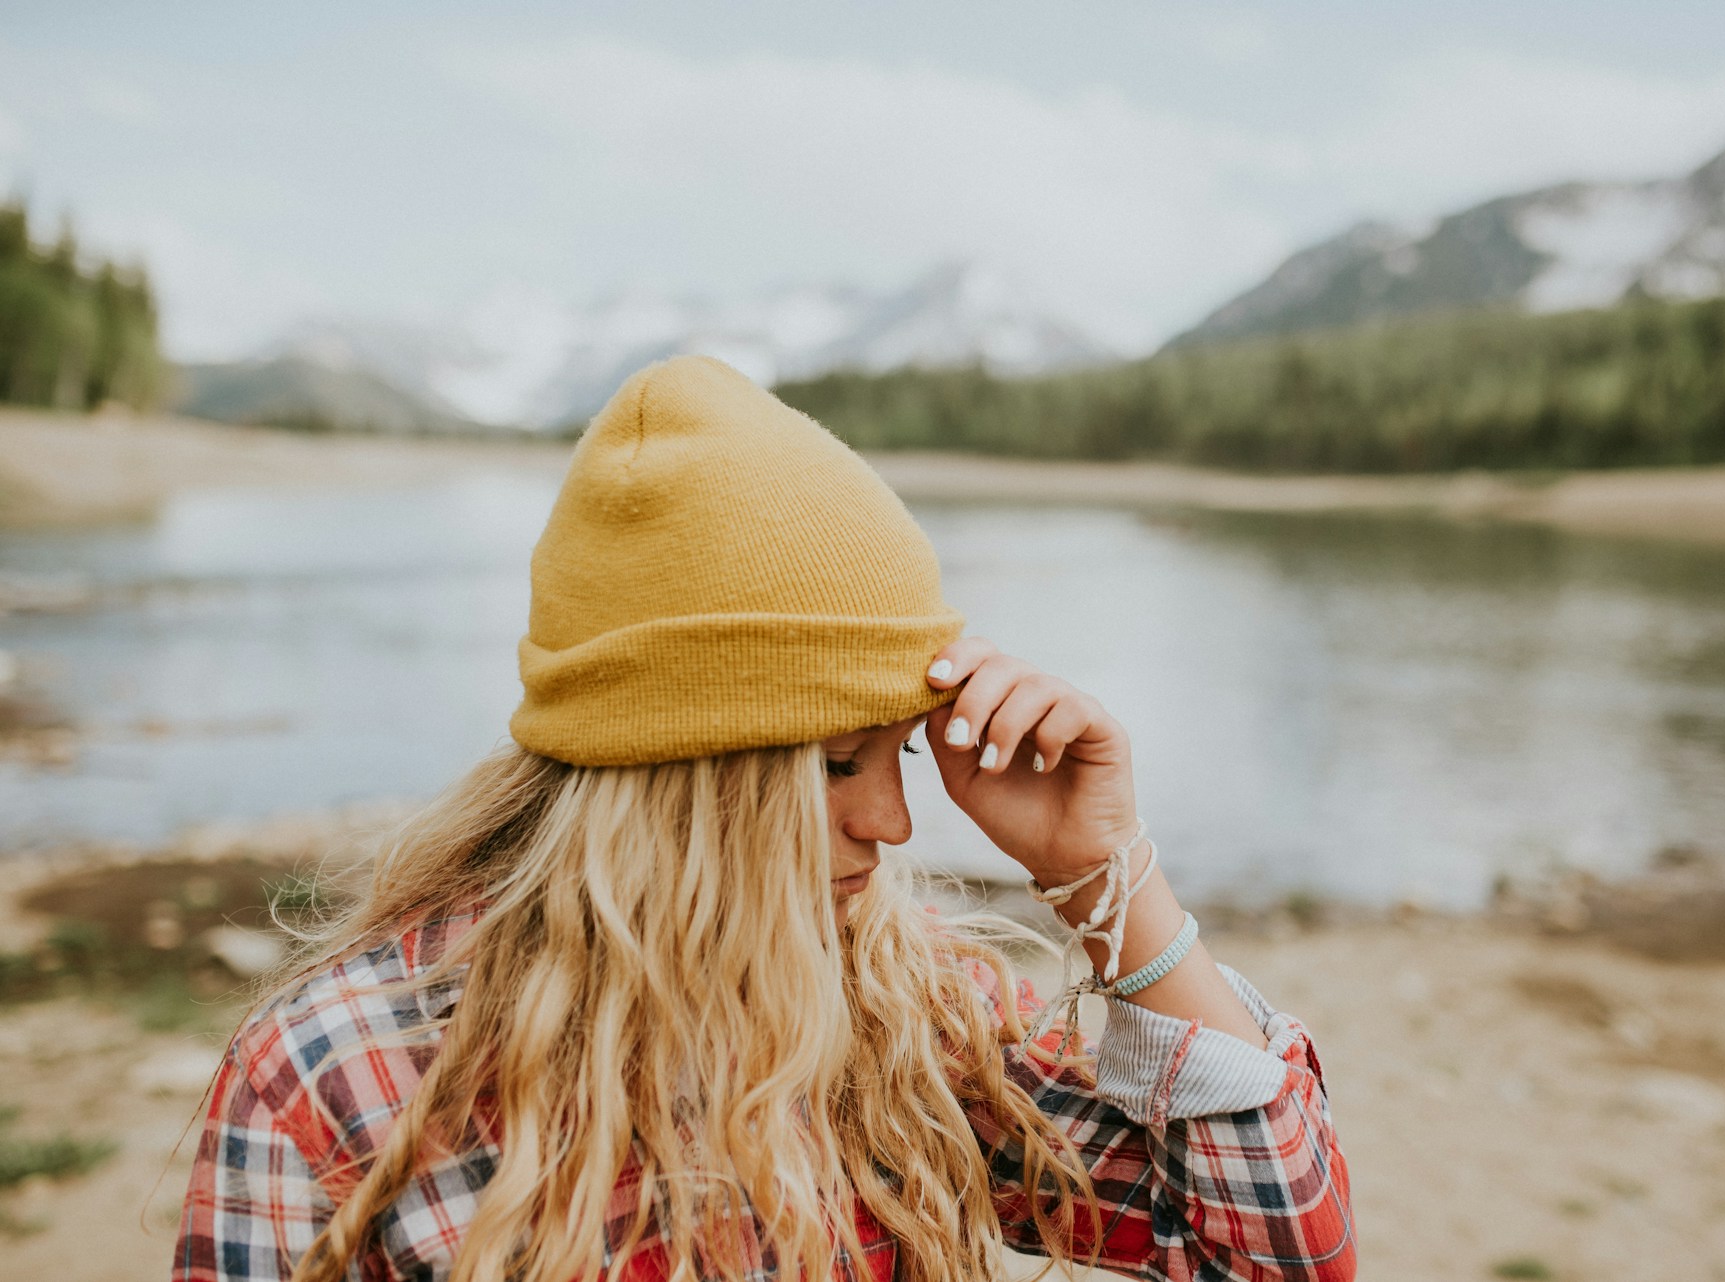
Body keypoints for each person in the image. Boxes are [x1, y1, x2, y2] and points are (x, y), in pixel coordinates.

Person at [171, 356, 1355, 1282]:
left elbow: (1278, 1253)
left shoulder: (909, 1010)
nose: (894, 822)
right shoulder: (341, 1077)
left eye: (900, 753)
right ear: (677, 771)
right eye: (838, 764)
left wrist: (1108, 876)